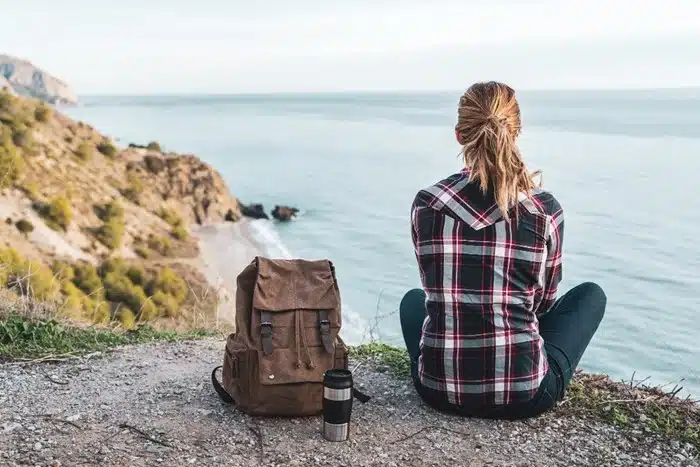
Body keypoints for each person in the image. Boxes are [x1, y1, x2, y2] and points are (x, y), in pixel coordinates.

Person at [400, 81, 606, 419]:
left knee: (412, 300)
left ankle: (447, 366)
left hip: (438, 391)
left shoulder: (427, 204)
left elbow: (434, 287)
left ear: (459, 135)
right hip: (525, 396)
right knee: (591, 296)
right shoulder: (543, 210)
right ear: (516, 131)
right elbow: (543, 304)